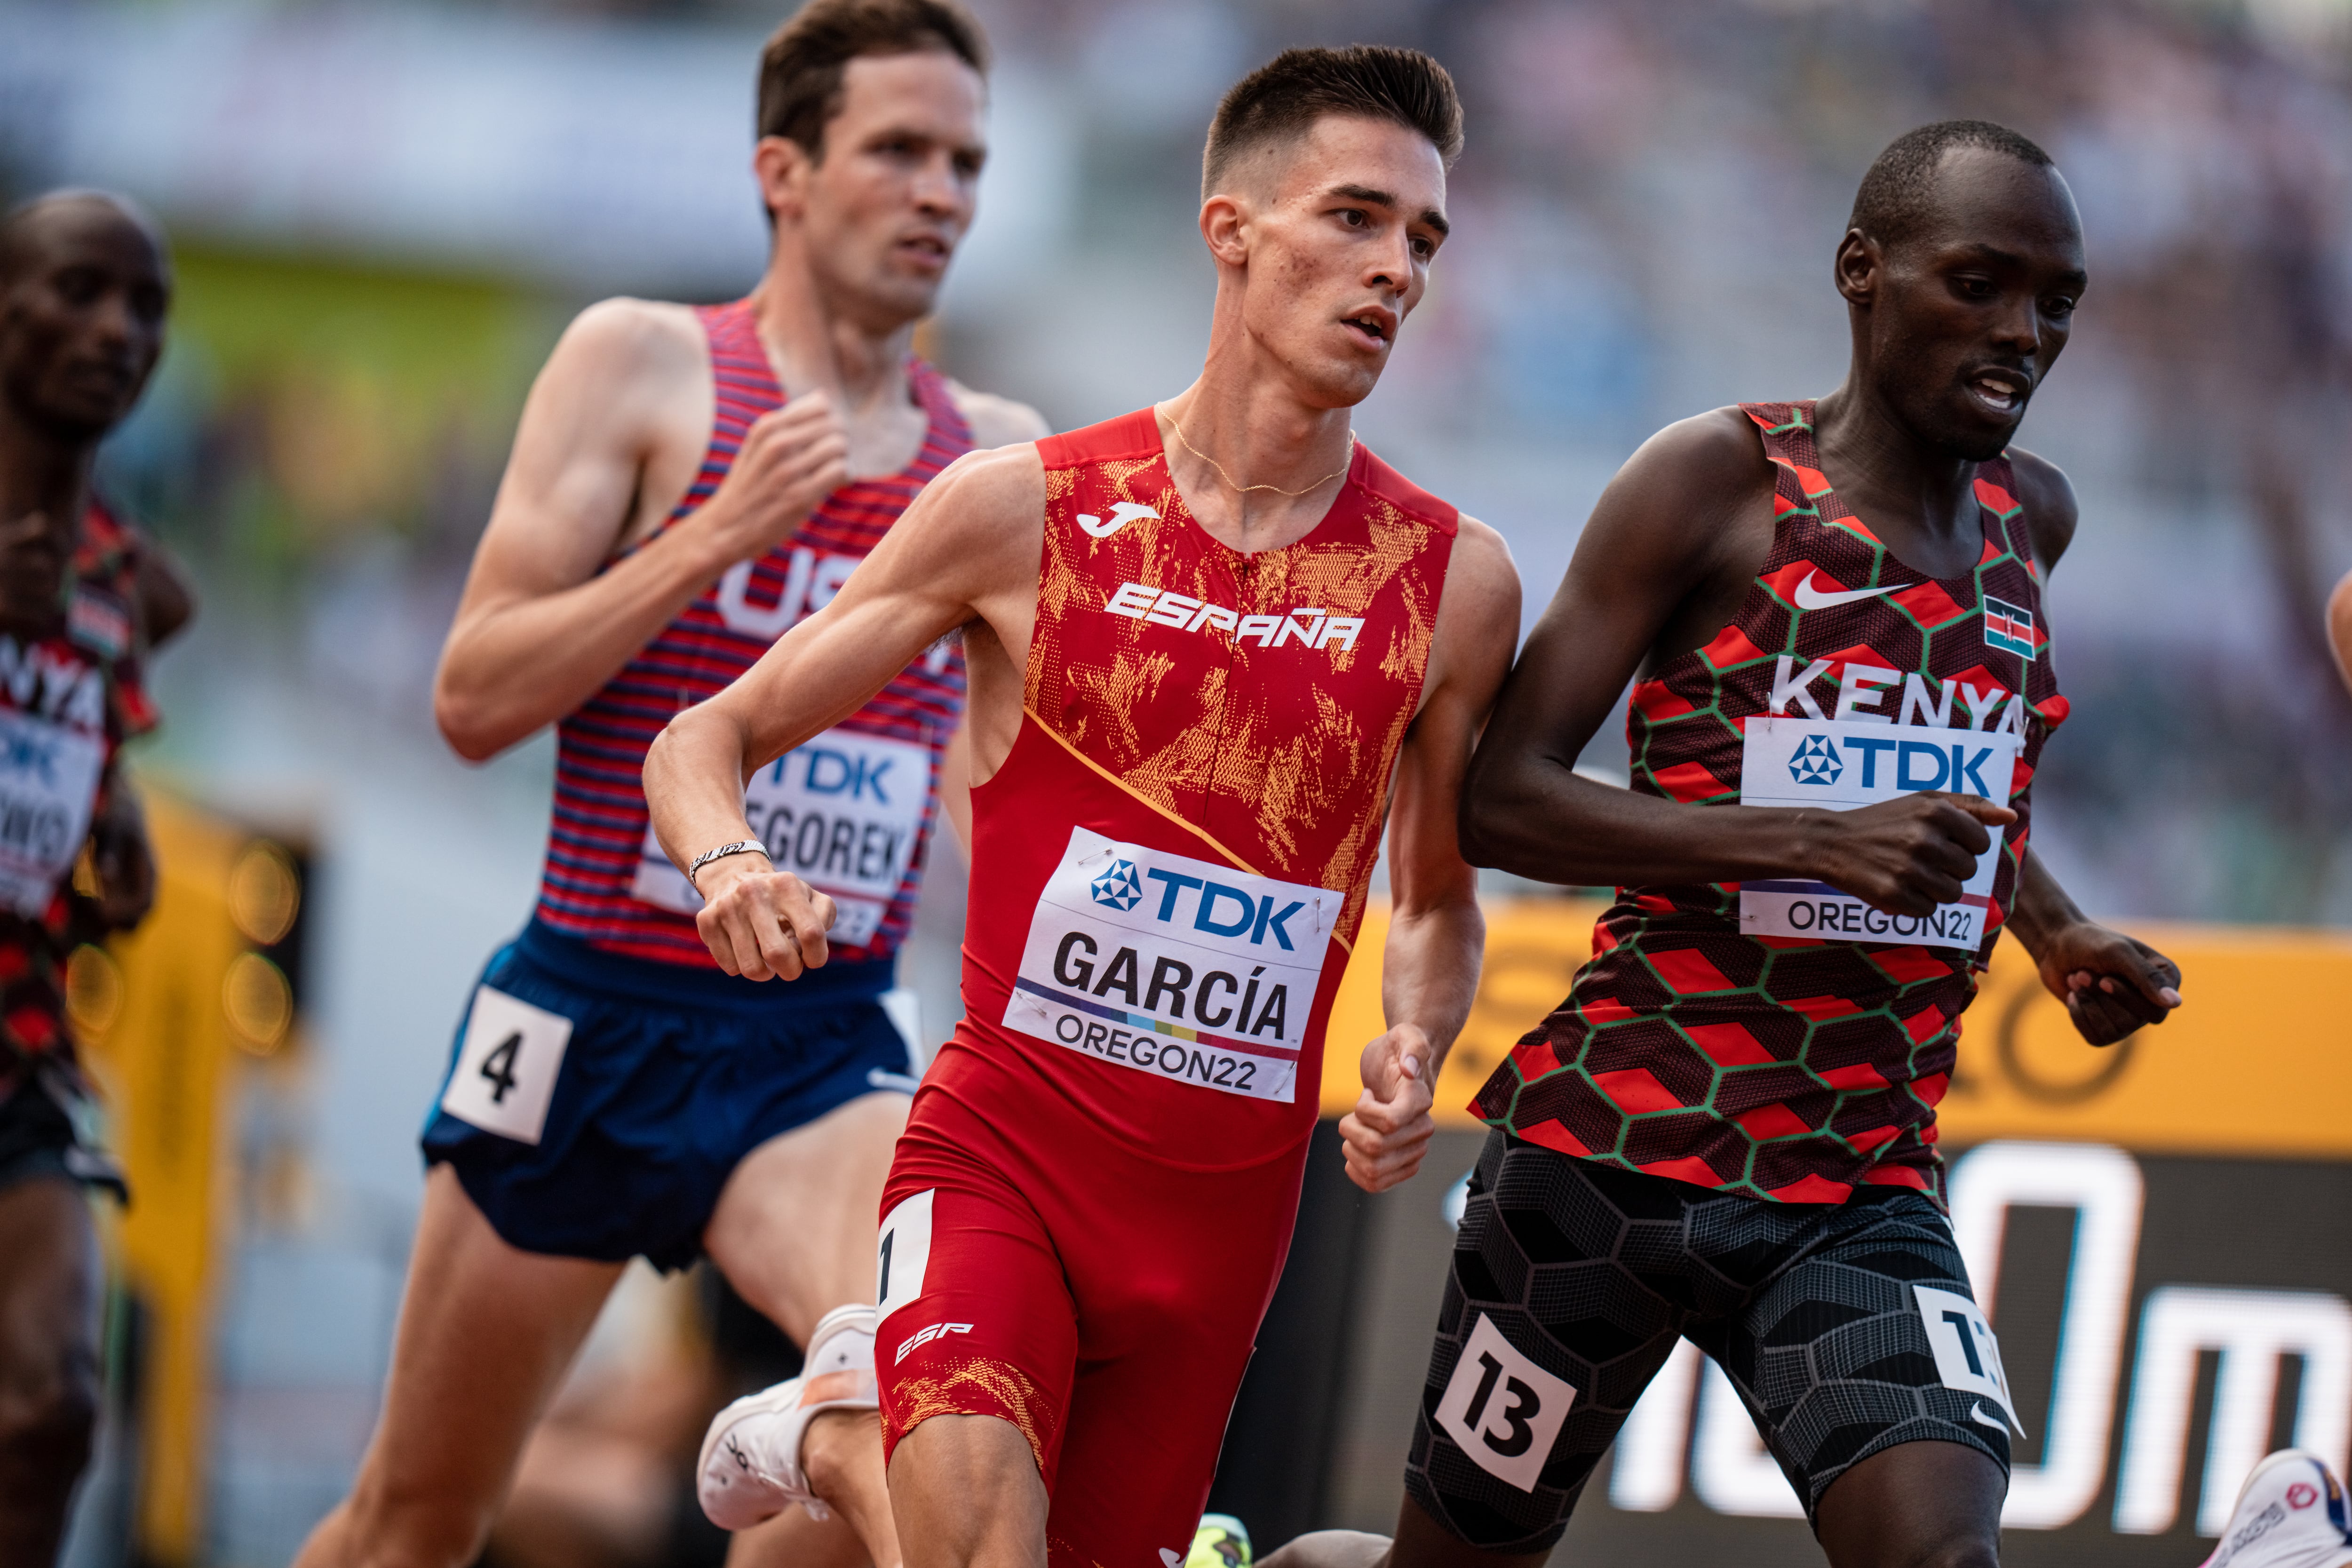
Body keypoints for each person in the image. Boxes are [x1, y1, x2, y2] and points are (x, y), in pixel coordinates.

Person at [1262, 120, 2186, 1568]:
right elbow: (1503, 797)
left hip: (1860, 1181)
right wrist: (1810, 844)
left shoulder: (2034, 522)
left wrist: (2056, 930)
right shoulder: (1719, 483)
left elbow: (1964, 796)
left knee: (1945, 1555)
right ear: (1862, 273)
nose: (2024, 332)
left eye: (2057, 300)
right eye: (1981, 284)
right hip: (1609, 1162)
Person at [644, 43, 1519, 1568]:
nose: (1397, 272)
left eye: (1424, 241)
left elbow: (1435, 901)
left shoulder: (1456, 587)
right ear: (1231, 228)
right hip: (1005, 1159)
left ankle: (844, 1429)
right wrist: (729, 866)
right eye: (1358, 219)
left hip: (1222, 1226)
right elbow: (703, 739)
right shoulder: (1024, 509)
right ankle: (862, 1433)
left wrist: (1416, 1038)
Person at [293, 3, 1046, 1565]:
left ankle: (801, 1428)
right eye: (898, 151)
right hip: (589, 1021)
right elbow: (473, 697)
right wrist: (712, 537)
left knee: (924, 1433)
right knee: (415, 1523)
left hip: (820, 1050)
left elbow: (1010, 792)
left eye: (966, 161)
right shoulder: (644, 362)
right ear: (784, 168)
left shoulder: (996, 460)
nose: (942, 195)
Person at [0, 189, 191, 1567]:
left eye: (147, 310)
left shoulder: (131, 581)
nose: (117, 331)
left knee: (53, 1404)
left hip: (21, 1046)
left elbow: (71, 750)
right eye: (79, 290)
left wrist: (114, 822)